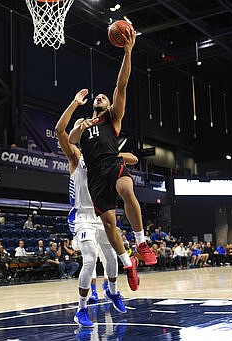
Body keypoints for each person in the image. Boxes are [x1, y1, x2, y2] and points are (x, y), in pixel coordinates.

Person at [67, 29, 157, 285]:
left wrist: (128, 52)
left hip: (112, 164)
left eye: (103, 98)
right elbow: (71, 139)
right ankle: (128, 265)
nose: (100, 97)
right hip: (95, 174)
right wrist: (79, 126)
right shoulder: (83, 123)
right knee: (109, 224)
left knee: (127, 188)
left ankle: (141, 242)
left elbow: (122, 85)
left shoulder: (112, 117)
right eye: (98, 97)